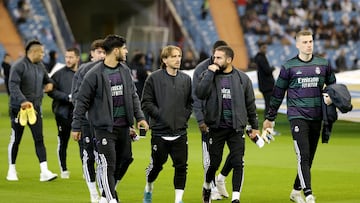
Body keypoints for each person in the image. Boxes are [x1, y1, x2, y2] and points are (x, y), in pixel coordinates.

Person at [71, 34, 149, 203]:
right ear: (116, 51)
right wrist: (76, 127)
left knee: (126, 159)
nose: (126, 51)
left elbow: (133, 96)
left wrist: (140, 118)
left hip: (123, 126)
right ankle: (111, 199)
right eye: (124, 48)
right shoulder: (93, 74)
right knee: (108, 164)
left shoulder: (124, 70)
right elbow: (81, 102)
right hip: (104, 128)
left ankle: (106, 194)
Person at [263, 29, 336, 203]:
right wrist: (270, 117)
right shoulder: (288, 67)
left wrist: (330, 96)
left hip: (317, 116)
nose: (308, 45)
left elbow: (333, 86)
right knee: (303, 155)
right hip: (297, 116)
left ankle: (295, 192)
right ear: (297, 44)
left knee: (309, 157)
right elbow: (278, 93)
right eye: (304, 42)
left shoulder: (323, 64)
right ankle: (309, 194)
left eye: (310, 41)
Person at [196, 45, 259, 203]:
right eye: (214, 57)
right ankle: (206, 186)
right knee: (214, 163)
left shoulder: (242, 78)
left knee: (238, 162)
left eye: (219, 58)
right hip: (216, 128)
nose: (214, 60)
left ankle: (236, 198)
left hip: (236, 128)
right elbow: (200, 93)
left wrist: (255, 127)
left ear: (229, 60)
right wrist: (210, 73)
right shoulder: (208, 74)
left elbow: (250, 104)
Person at [142, 45, 193, 203]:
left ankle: (178, 200)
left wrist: (183, 117)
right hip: (159, 132)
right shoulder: (154, 78)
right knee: (157, 166)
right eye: (173, 56)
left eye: (179, 56)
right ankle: (149, 187)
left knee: (181, 167)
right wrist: (161, 116)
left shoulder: (186, 79)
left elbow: (190, 103)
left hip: (180, 132)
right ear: (164, 60)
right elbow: (146, 103)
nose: (178, 59)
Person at [7, 39, 58, 182]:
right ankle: (11, 170)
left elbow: (48, 79)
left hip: (35, 109)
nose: (43, 54)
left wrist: (49, 84)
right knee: (16, 139)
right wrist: (23, 101)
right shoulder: (18, 66)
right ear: (34, 52)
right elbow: (13, 86)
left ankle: (44, 171)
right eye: (41, 52)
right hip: (19, 109)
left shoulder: (40, 66)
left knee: (39, 139)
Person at [192, 40, 232, 200]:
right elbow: (197, 96)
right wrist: (201, 120)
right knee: (210, 157)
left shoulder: (229, 70)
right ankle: (212, 188)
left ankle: (221, 178)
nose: (218, 59)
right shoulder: (201, 69)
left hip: (228, 121)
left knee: (237, 156)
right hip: (210, 121)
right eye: (217, 56)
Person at [71, 38, 106, 203]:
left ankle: (105, 192)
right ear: (92, 54)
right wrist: (77, 123)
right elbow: (76, 97)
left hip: (104, 122)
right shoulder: (83, 70)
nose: (101, 55)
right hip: (86, 121)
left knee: (104, 158)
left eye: (104, 52)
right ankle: (93, 193)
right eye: (99, 52)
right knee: (88, 156)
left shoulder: (111, 71)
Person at [47, 47, 80, 179]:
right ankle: (64, 170)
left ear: (77, 58)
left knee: (83, 142)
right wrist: (67, 97)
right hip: (63, 114)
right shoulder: (59, 74)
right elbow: (50, 91)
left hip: (80, 114)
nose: (68, 59)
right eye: (66, 57)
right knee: (63, 141)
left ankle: (86, 170)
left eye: (71, 57)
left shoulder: (84, 73)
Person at [254, 41, 275, 121]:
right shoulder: (261, 58)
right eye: (264, 48)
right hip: (267, 86)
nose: (265, 49)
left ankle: (268, 124)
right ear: (260, 48)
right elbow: (267, 71)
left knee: (268, 105)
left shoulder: (259, 58)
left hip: (264, 85)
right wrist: (272, 69)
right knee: (269, 105)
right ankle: (268, 125)